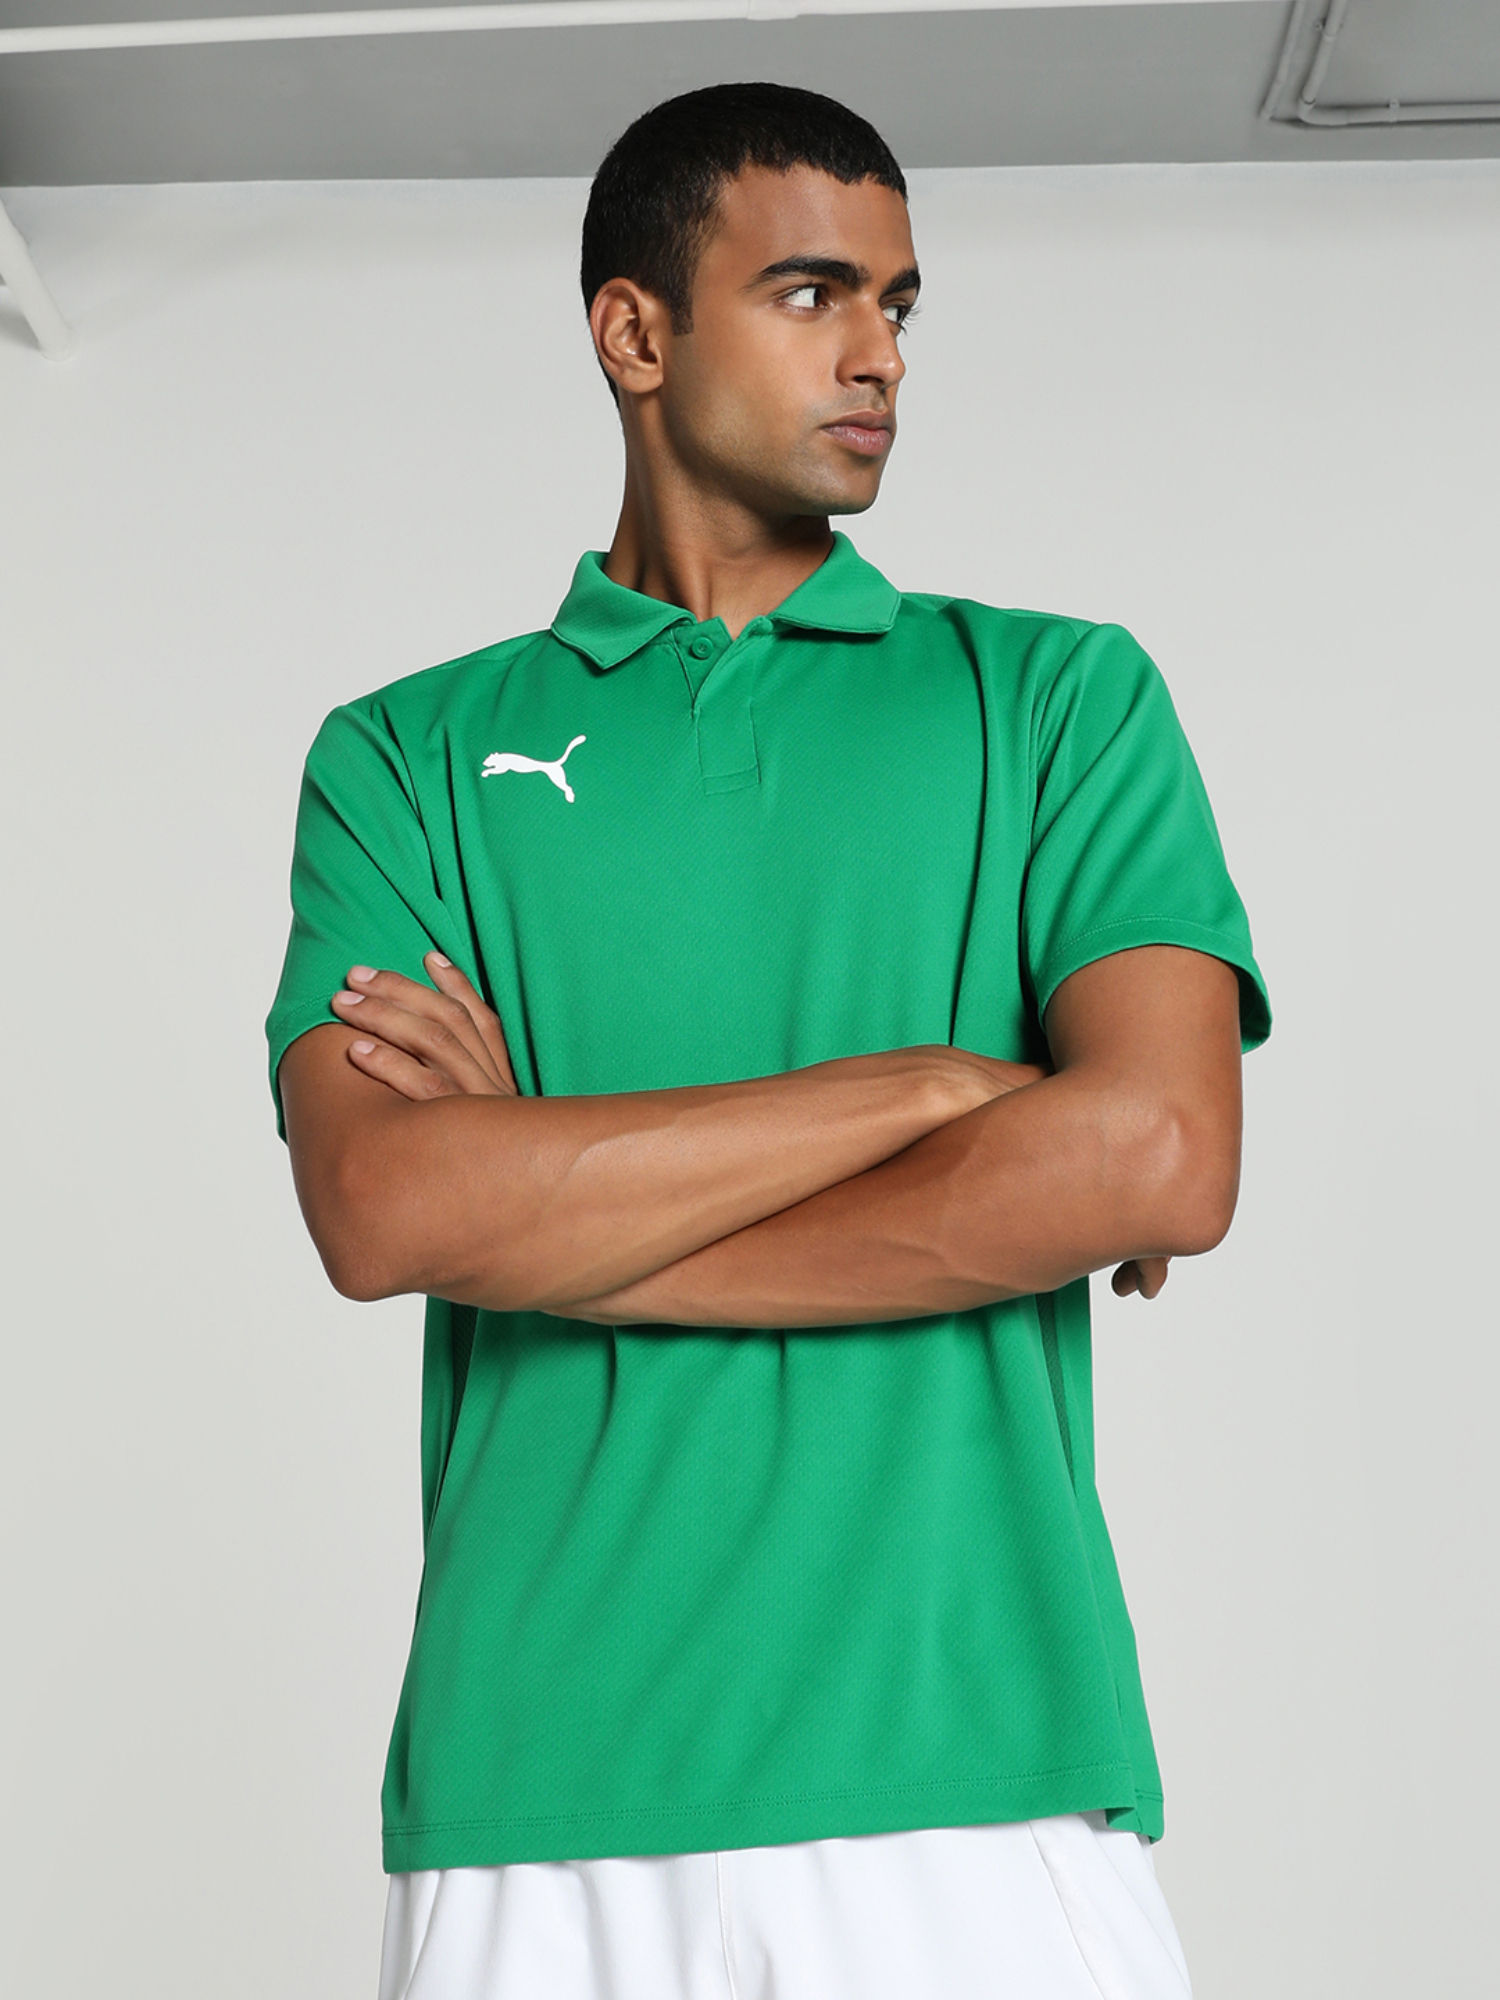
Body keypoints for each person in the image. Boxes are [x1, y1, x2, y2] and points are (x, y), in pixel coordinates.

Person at [265, 80, 1271, 2000]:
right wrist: (924, 1090)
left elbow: (1157, 1157)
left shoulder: (1057, 697)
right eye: (813, 293)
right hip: (535, 1787)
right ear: (635, 333)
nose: (880, 352)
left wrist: (555, 1219)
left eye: (900, 303)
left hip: (973, 1771)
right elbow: (386, 1212)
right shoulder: (402, 755)